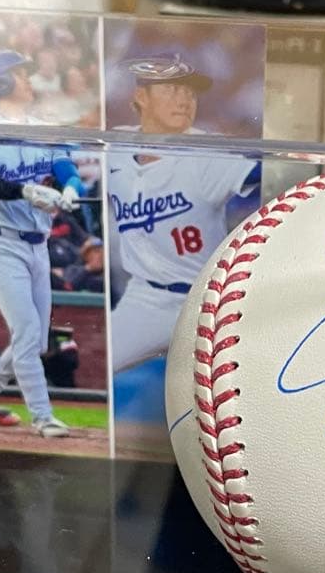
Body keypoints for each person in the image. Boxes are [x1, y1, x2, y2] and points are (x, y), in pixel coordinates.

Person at [0, 50, 86, 439]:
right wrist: (26, 191)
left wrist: (71, 189)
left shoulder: (43, 127)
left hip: (37, 245)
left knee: (37, 338)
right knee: (28, 329)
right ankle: (43, 417)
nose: (28, 79)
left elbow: (67, 170)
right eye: (19, 73)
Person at [107, 54, 259, 373]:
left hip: (205, 302)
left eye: (190, 92)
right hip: (145, 298)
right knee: (95, 366)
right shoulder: (116, 145)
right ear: (141, 96)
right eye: (172, 89)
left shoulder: (208, 152)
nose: (184, 100)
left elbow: (263, 171)